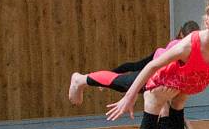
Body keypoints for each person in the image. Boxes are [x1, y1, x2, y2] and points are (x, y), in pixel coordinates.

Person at [106, 0, 209, 122]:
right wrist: (130, 96)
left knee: (176, 107)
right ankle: (85, 79)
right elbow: (152, 66)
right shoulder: (185, 46)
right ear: (208, 23)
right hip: (160, 74)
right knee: (129, 82)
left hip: (179, 81)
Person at [68, 21, 200, 106]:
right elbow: (154, 68)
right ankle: (81, 79)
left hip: (162, 77)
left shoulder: (198, 49)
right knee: (125, 78)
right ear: (183, 35)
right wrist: (133, 93)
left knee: (162, 106)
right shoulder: (177, 46)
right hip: (156, 66)